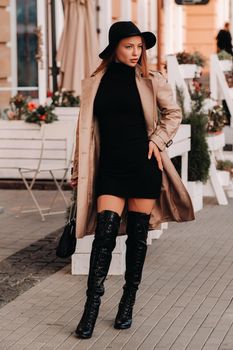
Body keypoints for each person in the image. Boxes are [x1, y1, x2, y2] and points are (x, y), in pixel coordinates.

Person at [71, 21, 195, 339]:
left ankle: (127, 302)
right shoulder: (94, 83)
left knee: (137, 240)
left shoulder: (151, 79)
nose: (136, 52)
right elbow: (83, 131)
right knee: (104, 237)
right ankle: (90, 310)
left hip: (143, 166)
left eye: (140, 47)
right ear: (115, 47)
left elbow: (174, 113)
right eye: (129, 46)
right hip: (110, 168)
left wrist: (157, 140)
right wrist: (76, 168)